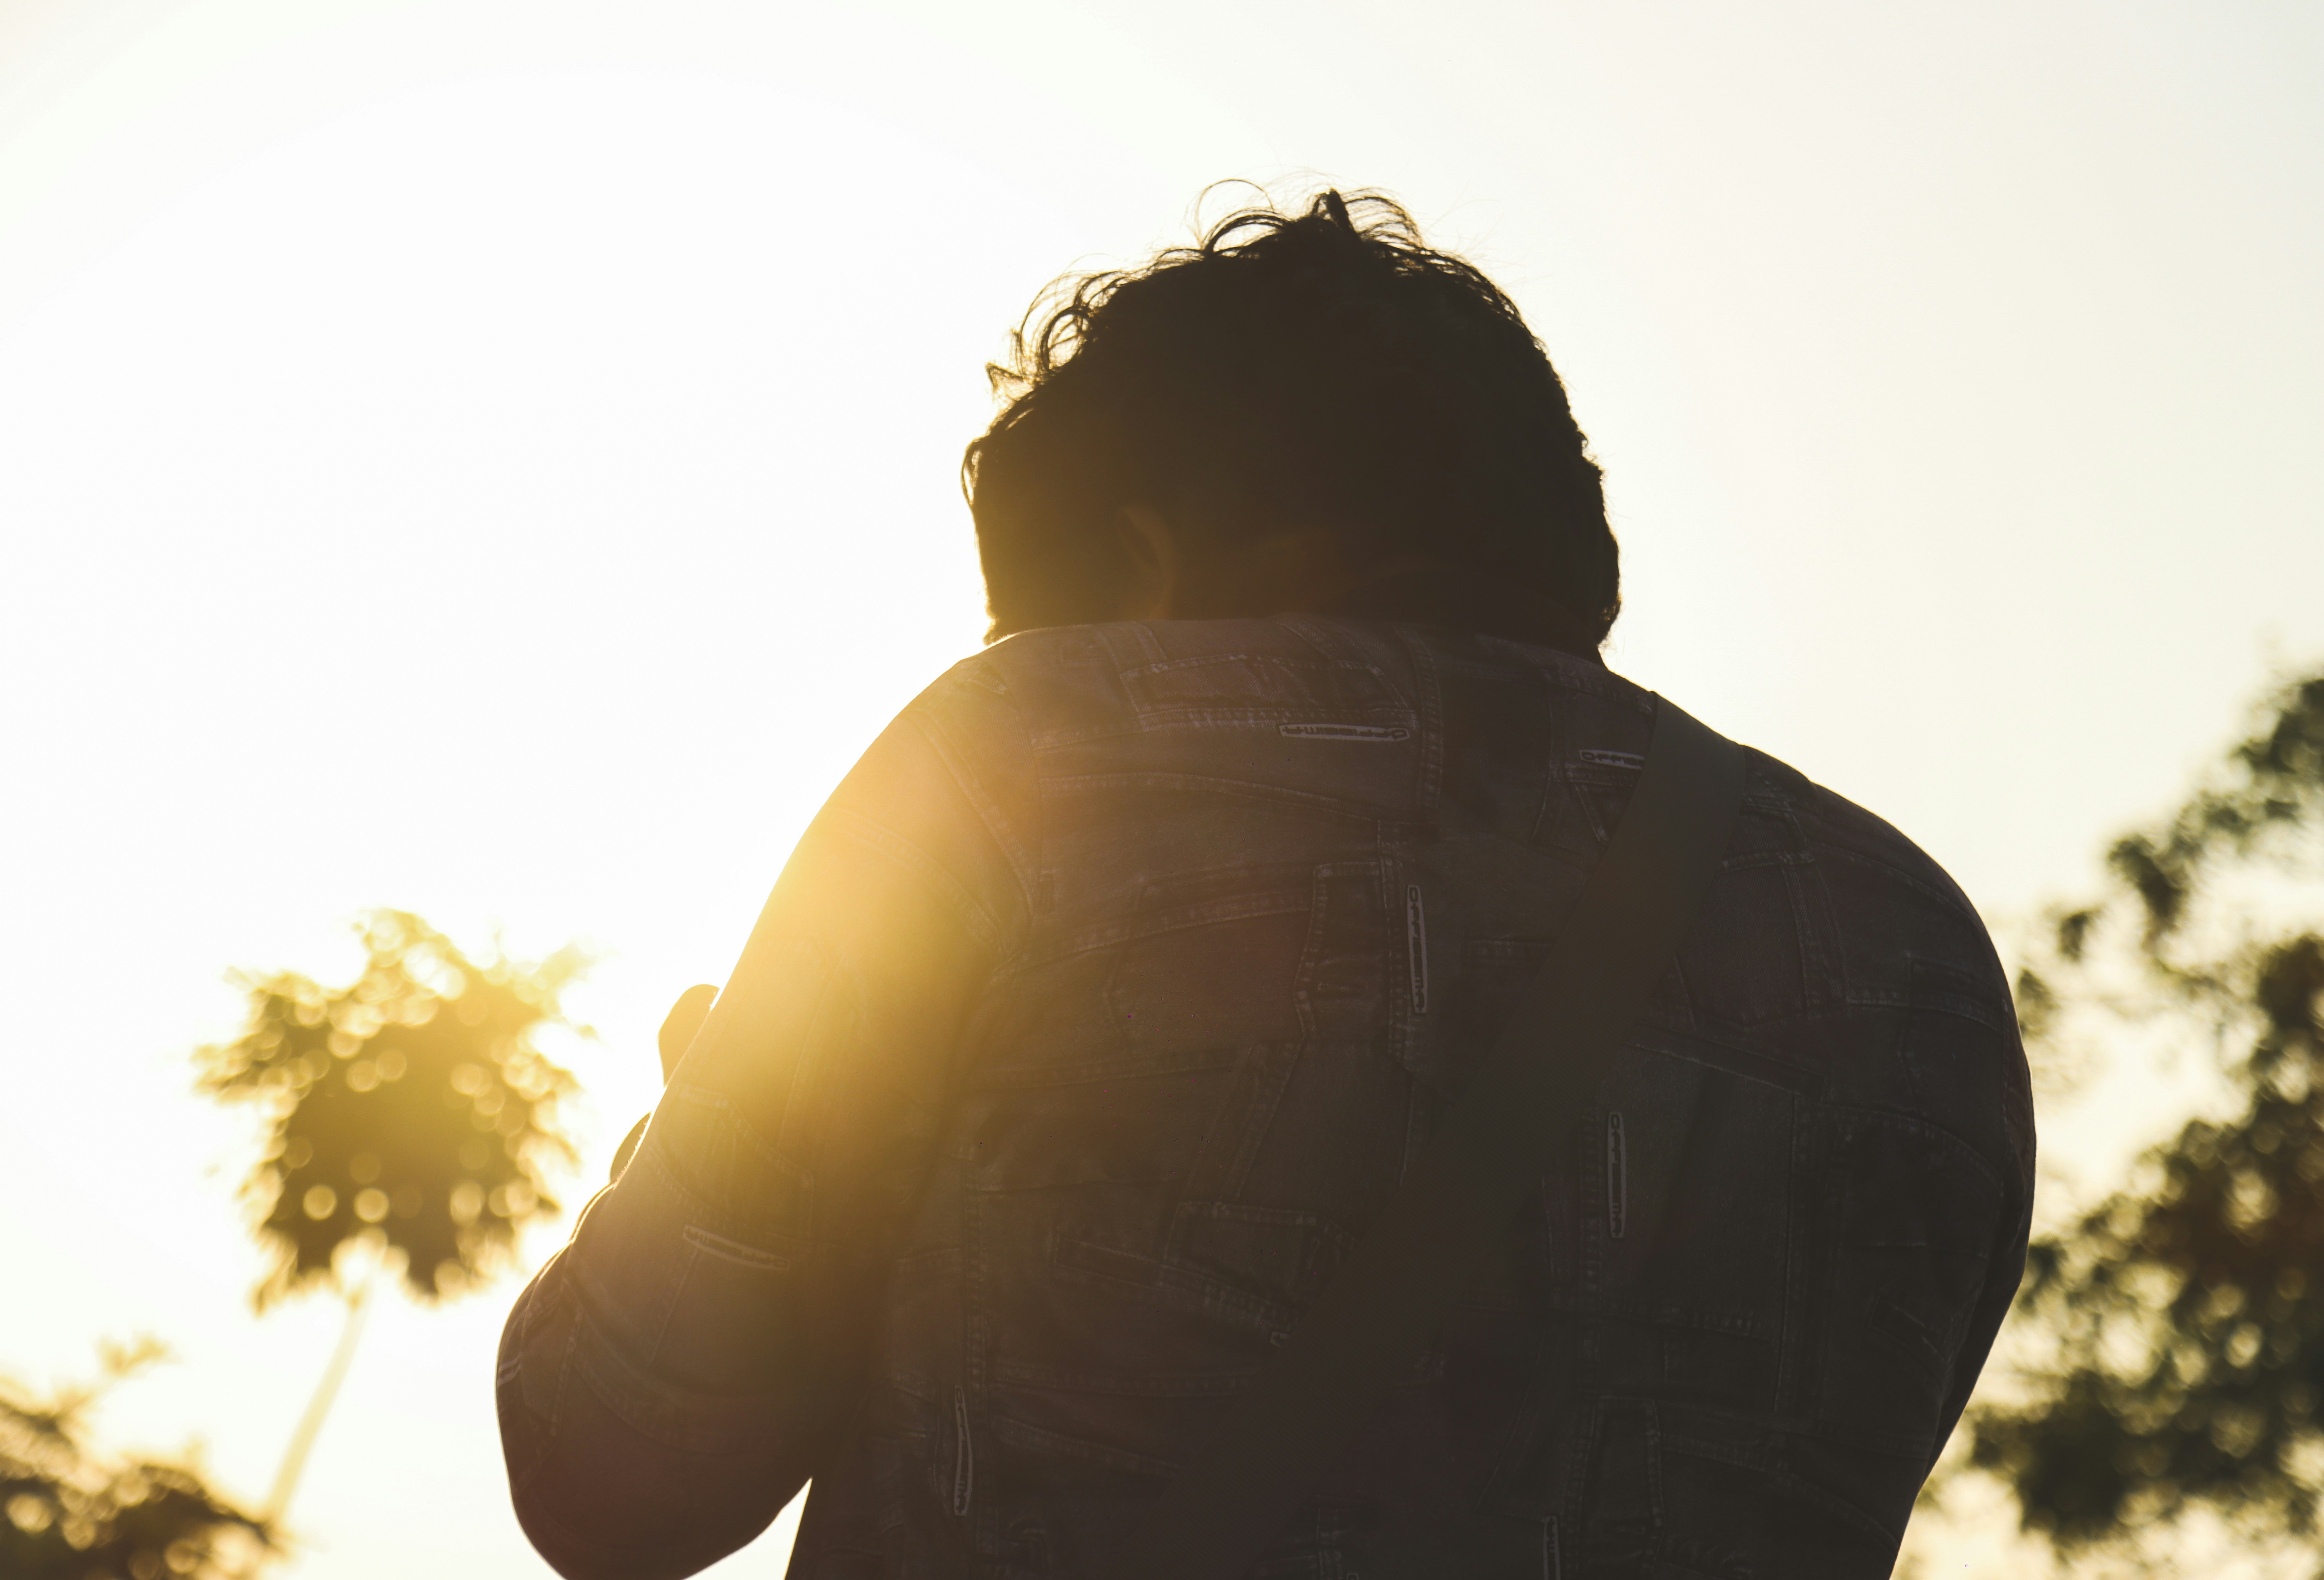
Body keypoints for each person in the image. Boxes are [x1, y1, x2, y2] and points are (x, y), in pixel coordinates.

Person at [496, 188, 2034, 1579]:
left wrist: (708, 1118)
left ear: (1142, 566)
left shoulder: (1040, 752)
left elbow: (614, 1477)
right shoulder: (1920, 956)